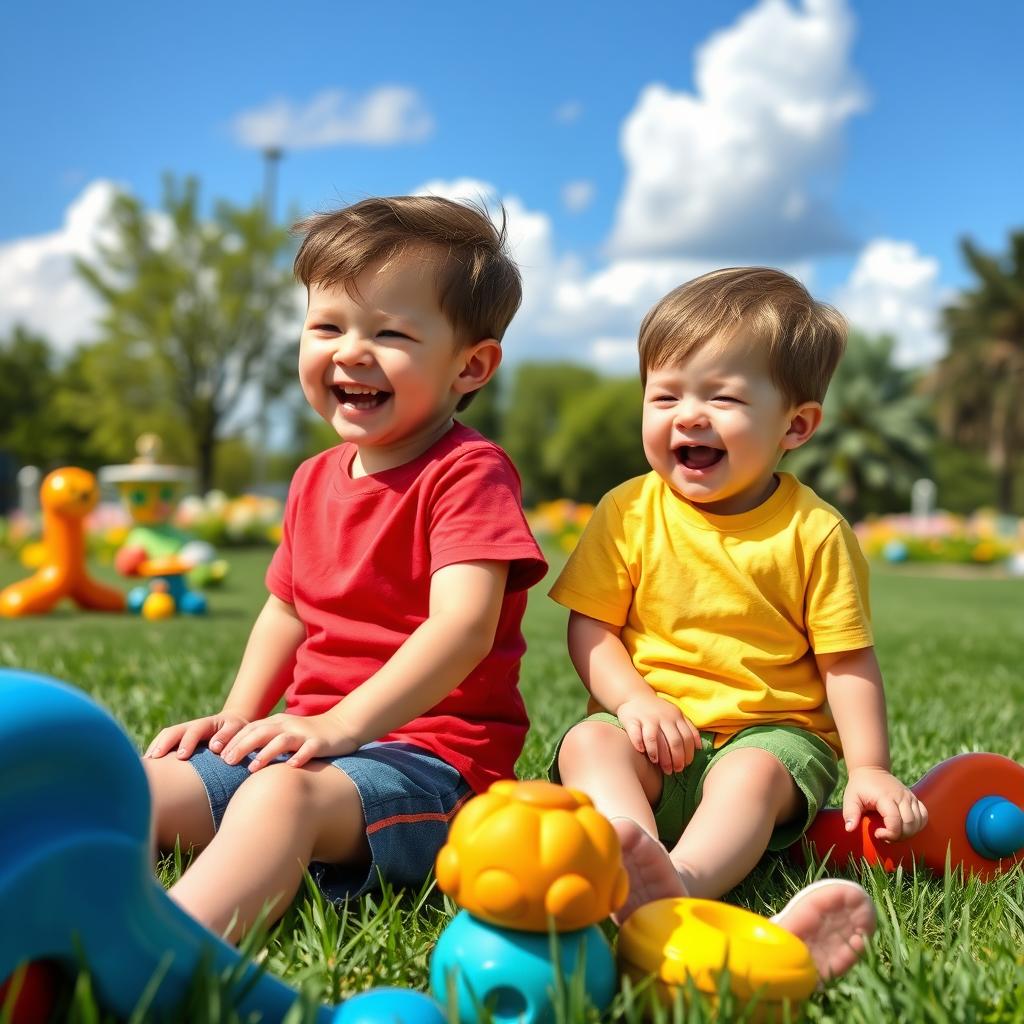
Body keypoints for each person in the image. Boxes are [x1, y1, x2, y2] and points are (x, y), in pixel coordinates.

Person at [142, 196, 547, 941]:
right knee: (142, 791)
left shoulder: (467, 472)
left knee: (276, 803)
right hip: (306, 742)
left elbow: (463, 627)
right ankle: (57, 902)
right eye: (327, 326)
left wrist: (342, 724)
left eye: (390, 333)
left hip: (430, 765)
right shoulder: (311, 478)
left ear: (471, 365)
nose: (350, 352)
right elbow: (287, 611)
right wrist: (240, 716)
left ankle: (164, 953)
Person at [549, 267, 928, 977]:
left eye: (722, 398)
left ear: (796, 424)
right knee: (586, 747)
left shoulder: (815, 532)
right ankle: (628, 851)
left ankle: (679, 884)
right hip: (651, 732)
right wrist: (632, 701)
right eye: (664, 396)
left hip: (770, 736)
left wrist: (869, 766)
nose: (688, 417)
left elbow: (845, 663)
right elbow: (592, 630)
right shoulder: (627, 512)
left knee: (748, 775)